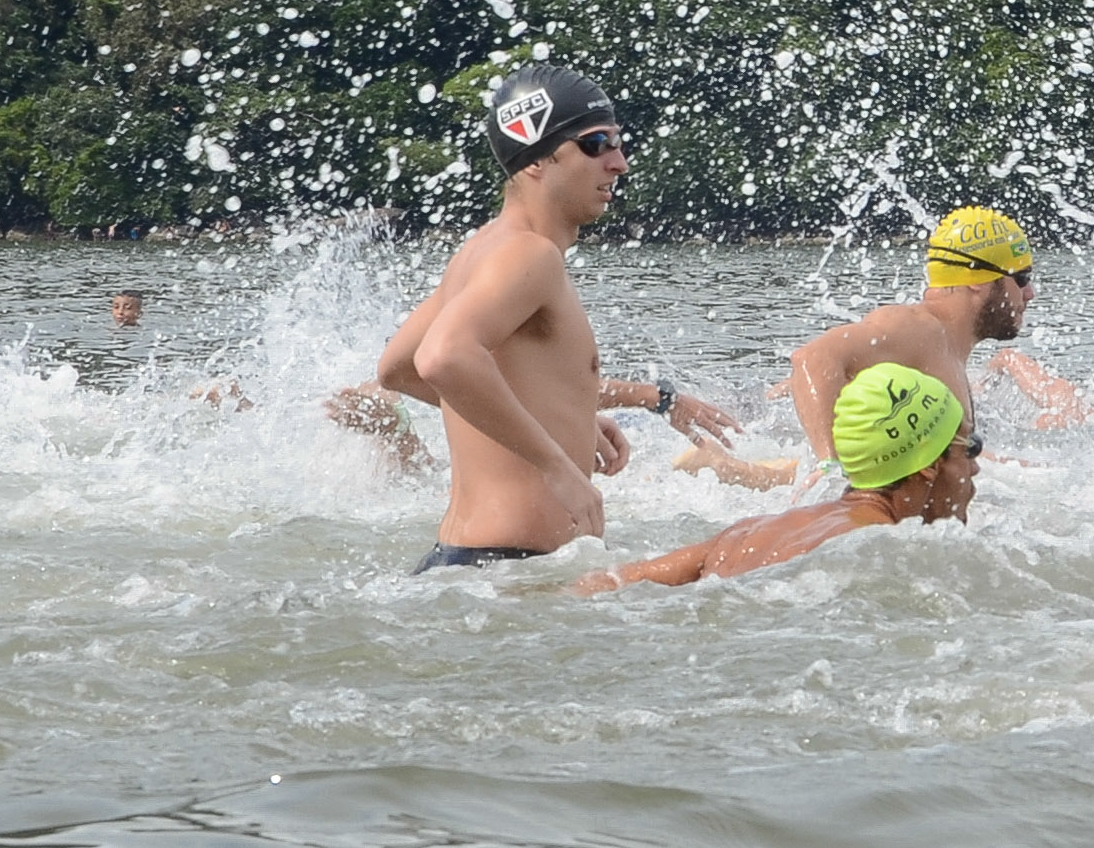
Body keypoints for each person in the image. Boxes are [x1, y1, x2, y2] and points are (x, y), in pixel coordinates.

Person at [365, 63, 636, 569]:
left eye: (619, 142)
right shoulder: (529, 255)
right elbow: (443, 357)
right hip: (510, 573)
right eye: (596, 143)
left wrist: (562, 418)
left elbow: (396, 368)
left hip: (469, 562)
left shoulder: (482, 250)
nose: (618, 162)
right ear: (535, 160)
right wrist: (557, 464)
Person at [578, 364, 982, 592]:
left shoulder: (750, 531)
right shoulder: (883, 550)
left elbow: (609, 581)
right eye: (971, 448)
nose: (977, 468)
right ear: (928, 464)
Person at [787, 206, 1036, 458]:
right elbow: (813, 358)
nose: (1030, 293)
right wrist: (828, 463)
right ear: (978, 279)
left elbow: (938, 457)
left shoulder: (945, 348)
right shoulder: (915, 327)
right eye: (1022, 278)